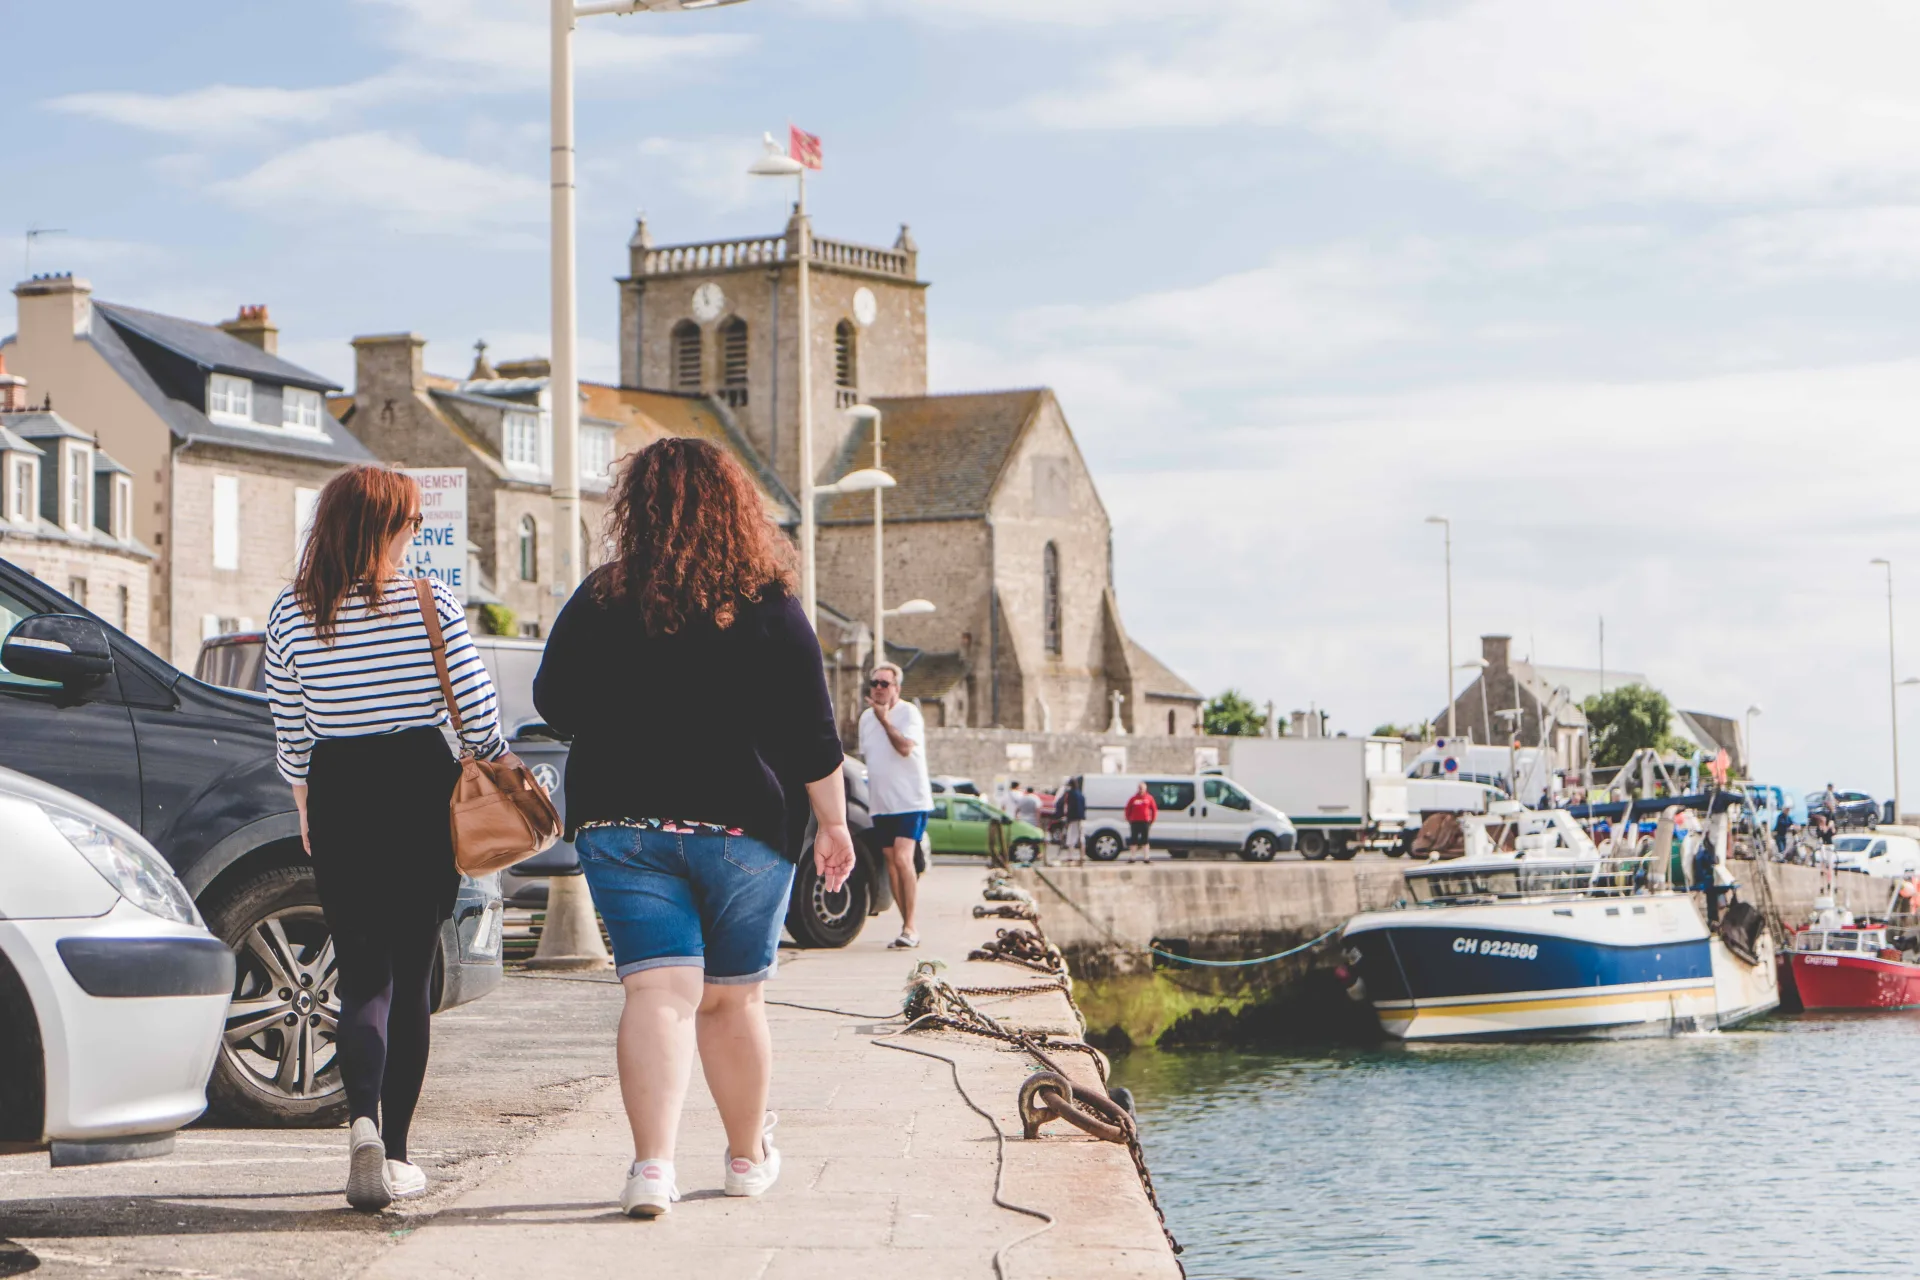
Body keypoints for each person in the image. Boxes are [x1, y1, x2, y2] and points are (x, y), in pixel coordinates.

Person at [532, 438, 854, 1218]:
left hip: (623, 825)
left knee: (658, 991)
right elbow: (814, 733)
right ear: (735, 504)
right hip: (743, 826)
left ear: (636, 508)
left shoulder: (603, 596)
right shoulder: (770, 604)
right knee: (734, 1001)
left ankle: (651, 1168)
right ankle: (746, 1160)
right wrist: (834, 825)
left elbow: (553, 700)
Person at [263, 465, 508, 1213]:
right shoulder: (428, 602)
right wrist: (494, 756)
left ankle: (361, 1123)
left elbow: (291, 730)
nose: (413, 535)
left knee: (362, 973)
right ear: (387, 529)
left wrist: (308, 802)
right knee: (408, 973)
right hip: (416, 791)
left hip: (340, 792)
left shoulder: (290, 613)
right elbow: (477, 706)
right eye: (407, 523)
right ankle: (395, 1154)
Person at [858, 661, 933, 949]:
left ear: (896, 688)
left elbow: (904, 748)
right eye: (874, 683)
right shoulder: (866, 719)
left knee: (903, 858)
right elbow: (870, 759)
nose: (878, 688)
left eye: (884, 684)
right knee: (891, 862)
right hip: (881, 802)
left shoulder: (908, 713)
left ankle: (912, 926)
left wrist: (885, 720)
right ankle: (905, 927)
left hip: (910, 799)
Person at [1124, 782, 1158, 862]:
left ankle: (1146, 858)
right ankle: (1132, 857)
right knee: (1133, 840)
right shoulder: (1133, 799)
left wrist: (1152, 819)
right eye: (1139, 788)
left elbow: (1154, 809)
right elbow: (1127, 809)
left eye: (1142, 788)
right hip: (1135, 822)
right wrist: (1128, 818)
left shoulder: (1149, 798)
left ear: (1145, 789)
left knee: (1145, 840)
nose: (1141, 790)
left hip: (1145, 822)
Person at [1061, 777, 1087, 865]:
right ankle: (1082, 856)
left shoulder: (1070, 794)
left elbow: (1070, 808)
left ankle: (1070, 856)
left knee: (1071, 837)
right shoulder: (1081, 794)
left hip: (1073, 818)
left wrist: (1068, 820)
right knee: (1081, 837)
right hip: (1081, 818)